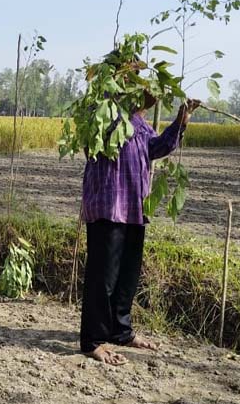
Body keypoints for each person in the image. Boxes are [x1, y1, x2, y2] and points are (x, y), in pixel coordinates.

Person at [79, 59, 200, 365]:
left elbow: (156, 148)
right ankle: (93, 339)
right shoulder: (101, 111)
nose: (136, 83)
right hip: (108, 205)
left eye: (138, 78)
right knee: (102, 276)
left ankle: (121, 331)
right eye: (129, 77)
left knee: (126, 276)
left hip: (134, 205)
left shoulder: (140, 121)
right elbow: (92, 144)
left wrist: (181, 120)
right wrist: (131, 96)